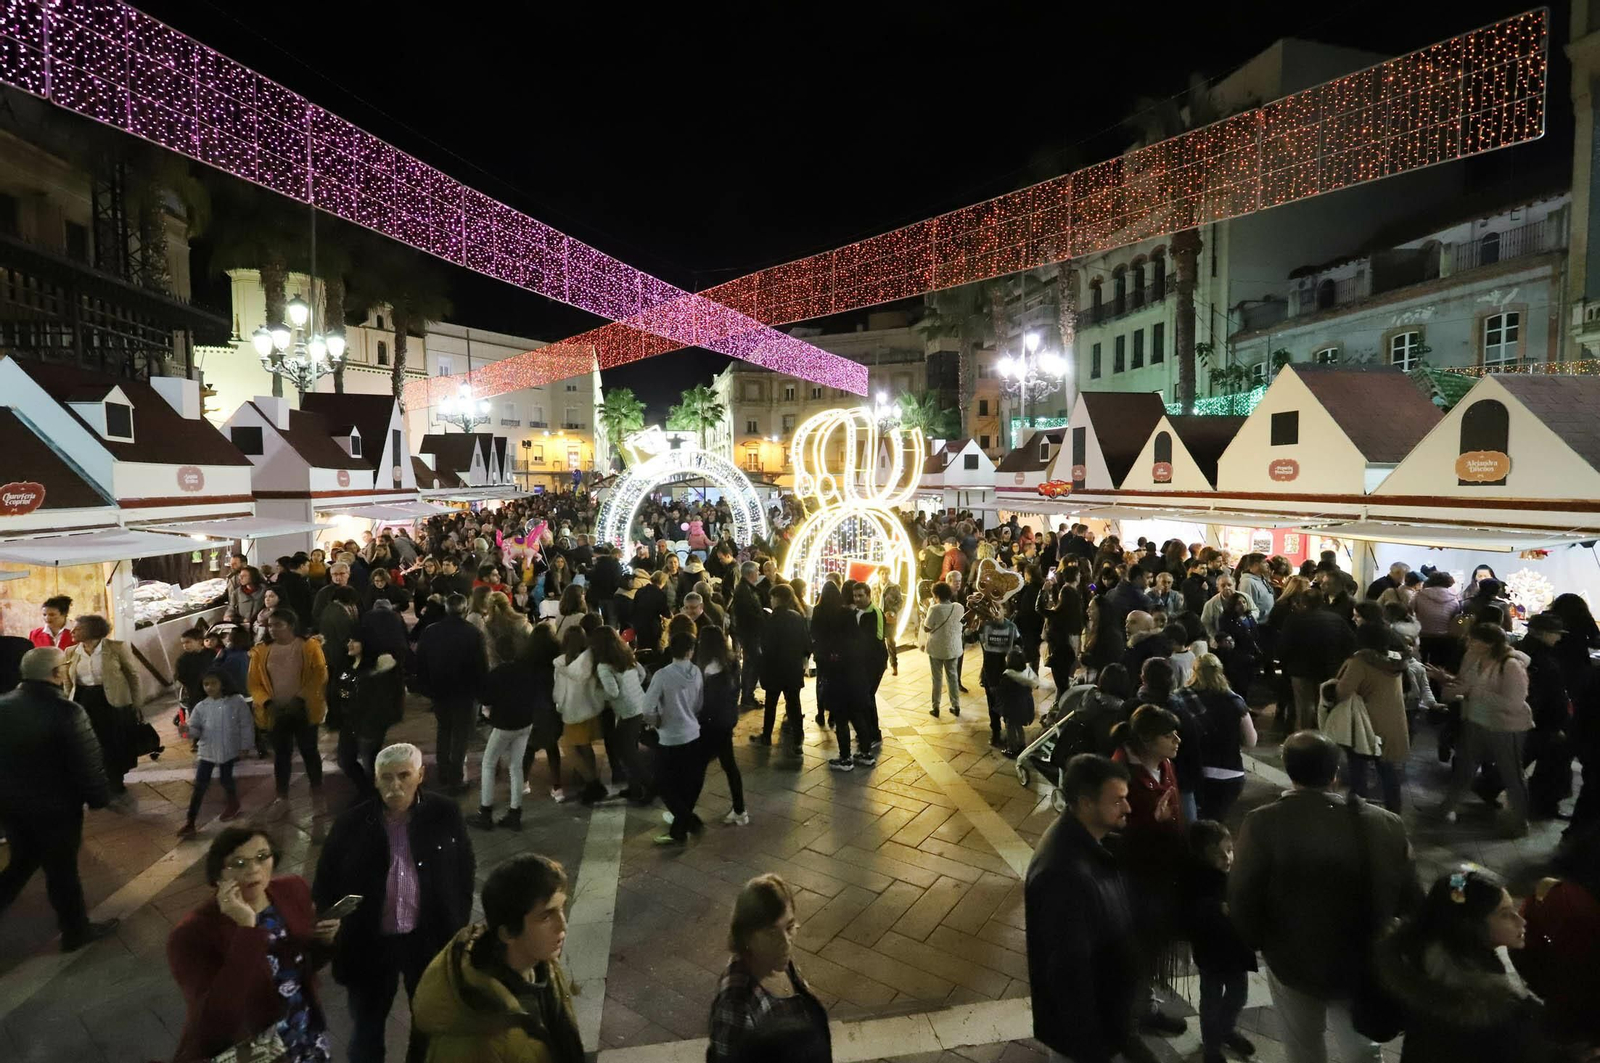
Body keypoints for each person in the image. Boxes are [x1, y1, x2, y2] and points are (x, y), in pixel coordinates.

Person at [1230, 731, 1418, 1063]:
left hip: (1292, 961)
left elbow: (1243, 896)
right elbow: (1411, 897)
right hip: (1362, 960)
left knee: (1302, 1044)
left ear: (1290, 771)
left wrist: (1263, 941)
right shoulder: (1385, 824)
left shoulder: (1263, 823)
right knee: (1361, 1049)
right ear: (1335, 773)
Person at [314, 743, 475, 1063]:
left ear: (420, 776)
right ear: (374, 780)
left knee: (429, 1024)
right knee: (366, 1031)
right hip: (370, 943)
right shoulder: (352, 824)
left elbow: (464, 870)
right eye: (386, 778)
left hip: (427, 939)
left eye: (404, 776)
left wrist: (455, 922)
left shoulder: (444, 813)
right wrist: (335, 923)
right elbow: (327, 881)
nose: (395, 785)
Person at [167, 828, 342, 1062]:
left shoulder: (291, 889)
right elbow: (214, 1022)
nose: (253, 869)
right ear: (219, 873)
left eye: (262, 857)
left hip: (305, 1032)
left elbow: (299, 965)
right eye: (238, 862)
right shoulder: (191, 935)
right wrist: (247, 930)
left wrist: (324, 941)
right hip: (255, 1050)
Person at [1025, 754, 1149, 1063]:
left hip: (1108, 1018)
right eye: (1118, 801)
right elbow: (1069, 971)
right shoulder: (1064, 874)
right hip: (1088, 1033)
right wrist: (1090, 1044)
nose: (1128, 808)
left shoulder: (1089, 840)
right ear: (1086, 803)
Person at [411, 853, 584, 1063]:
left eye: (562, 909)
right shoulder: (473, 1043)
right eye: (546, 916)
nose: (563, 925)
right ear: (507, 933)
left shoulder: (541, 965)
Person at [0, 647, 117, 951]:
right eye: (64, 666)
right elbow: (87, 762)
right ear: (55, 673)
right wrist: (101, 798)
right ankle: (76, 931)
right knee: (62, 871)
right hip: (57, 809)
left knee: (22, 862)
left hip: (12, 807)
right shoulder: (67, 711)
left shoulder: (3, 705)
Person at [1376, 864, 1540, 1063]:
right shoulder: (1494, 1007)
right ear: (1472, 926)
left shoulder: (1411, 960)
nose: (1520, 920)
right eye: (1505, 914)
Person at [707, 873, 831, 1063]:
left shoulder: (773, 959)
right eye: (771, 933)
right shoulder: (735, 1005)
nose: (785, 942)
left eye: (789, 927)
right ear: (746, 936)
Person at [1433, 623, 1534, 835]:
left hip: (1506, 727)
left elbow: (1513, 703)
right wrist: (1447, 680)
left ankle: (1520, 820)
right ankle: (1447, 808)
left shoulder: (1510, 665)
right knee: (1464, 768)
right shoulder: (1472, 658)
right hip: (1475, 721)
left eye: (1473, 640)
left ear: (1488, 644)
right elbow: (1465, 684)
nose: (1468, 643)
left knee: (1511, 774)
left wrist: (1471, 692)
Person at [1185, 821, 1257, 1063]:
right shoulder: (1196, 881)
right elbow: (1190, 915)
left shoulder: (1237, 873)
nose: (1227, 858)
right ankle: (1211, 1047)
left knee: (1239, 996)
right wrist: (1217, 908)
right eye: (1218, 854)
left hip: (1237, 951)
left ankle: (1225, 1030)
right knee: (1211, 1001)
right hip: (1211, 954)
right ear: (1202, 856)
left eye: (1230, 850)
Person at [247, 610, 329, 812]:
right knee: (281, 755)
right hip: (276, 711)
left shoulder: (309, 647)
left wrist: (301, 698)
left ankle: (317, 792)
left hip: (304, 709)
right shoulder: (261, 651)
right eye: (271, 625)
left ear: (291, 625)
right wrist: (267, 703)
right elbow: (254, 683)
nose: (273, 629)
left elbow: (319, 675)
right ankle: (282, 797)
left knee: (309, 751)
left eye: (278, 625)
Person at [1333, 622, 1411, 814]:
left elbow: (1343, 692)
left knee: (1358, 767)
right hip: (1392, 722)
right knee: (1387, 769)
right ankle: (1394, 812)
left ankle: (1358, 810)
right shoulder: (1396, 661)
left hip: (1364, 723)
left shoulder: (1361, 662)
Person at [415, 594, 489, 795]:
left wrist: (426, 688)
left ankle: (443, 772)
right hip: (465, 692)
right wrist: (483, 694)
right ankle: (455, 777)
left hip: (439, 690)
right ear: (465, 610)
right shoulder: (474, 633)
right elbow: (482, 667)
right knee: (461, 735)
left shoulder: (431, 632)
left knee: (444, 730)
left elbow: (420, 661)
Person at [64, 613, 144, 794]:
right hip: (84, 700)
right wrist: (66, 703)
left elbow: (133, 675)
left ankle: (115, 778)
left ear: (94, 630)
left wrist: (137, 703)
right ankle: (96, 779)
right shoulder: (71, 652)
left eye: (79, 628)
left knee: (114, 741)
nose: (73, 631)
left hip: (111, 700)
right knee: (90, 742)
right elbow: (68, 682)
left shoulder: (116, 648)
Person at [1175, 653, 1257, 822]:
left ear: (1194, 671)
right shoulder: (1234, 700)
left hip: (1195, 771)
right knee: (1217, 821)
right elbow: (1251, 740)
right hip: (1229, 773)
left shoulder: (1181, 698)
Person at [645, 631, 706, 844]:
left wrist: (656, 721)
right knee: (687, 784)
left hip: (669, 738)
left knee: (663, 783)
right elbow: (699, 704)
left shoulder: (662, 675)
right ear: (691, 651)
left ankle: (687, 821)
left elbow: (647, 708)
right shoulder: (697, 672)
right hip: (692, 734)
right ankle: (679, 829)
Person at [180, 669, 254, 835]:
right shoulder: (201, 706)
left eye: (213, 683)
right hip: (207, 750)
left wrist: (245, 745)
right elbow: (195, 730)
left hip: (228, 749)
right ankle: (190, 821)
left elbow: (246, 724)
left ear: (222, 683)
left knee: (226, 779)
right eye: (206, 684)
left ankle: (233, 803)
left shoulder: (236, 701)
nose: (209, 687)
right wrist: (186, 730)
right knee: (200, 785)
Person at [330, 633, 403, 800]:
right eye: (347, 640)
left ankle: (375, 796)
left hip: (369, 724)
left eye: (354, 640)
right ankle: (366, 789)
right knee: (345, 760)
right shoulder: (346, 664)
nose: (349, 644)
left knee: (370, 761)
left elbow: (383, 698)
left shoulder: (376, 667)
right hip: (348, 721)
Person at [590, 625, 651, 806]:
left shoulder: (603, 666)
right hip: (640, 704)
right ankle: (635, 788)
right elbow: (641, 674)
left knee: (627, 752)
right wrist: (632, 689)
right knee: (629, 749)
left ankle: (650, 785)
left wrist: (596, 693)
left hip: (628, 712)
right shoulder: (626, 655)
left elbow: (613, 693)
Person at [696, 625, 748, 825]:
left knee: (698, 767)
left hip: (711, 724)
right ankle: (740, 809)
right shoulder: (732, 662)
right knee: (728, 765)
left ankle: (683, 812)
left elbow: (705, 701)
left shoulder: (709, 669)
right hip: (727, 719)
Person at [554, 627, 609, 805]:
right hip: (589, 710)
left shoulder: (562, 663)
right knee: (586, 748)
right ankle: (590, 781)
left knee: (568, 748)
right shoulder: (590, 659)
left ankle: (593, 783)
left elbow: (559, 689)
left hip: (572, 711)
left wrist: (559, 705)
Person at [758, 584, 811, 753]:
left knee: (771, 703)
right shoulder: (797, 617)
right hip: (792, 669)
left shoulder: (770, 620)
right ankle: (797, 739)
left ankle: (766, 736)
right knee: (794, 705)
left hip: (774, 669)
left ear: (777, 599)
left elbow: (765, 646)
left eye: (772, 598)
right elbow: (806, 643)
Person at [850, 582, 888, 758]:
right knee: (865, 697)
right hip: (860, 664)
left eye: (860, 596)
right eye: (855, 596)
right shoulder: (856, 612)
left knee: (868, 696)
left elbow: (877, 639)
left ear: (868, 595)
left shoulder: (875, 613)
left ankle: (874, 733)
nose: (857, 599)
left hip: (874, 663)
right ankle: (866, 732)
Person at [979, 607, 1021, 751]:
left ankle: (1011, 736)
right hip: (990, 672)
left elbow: (1019, 645)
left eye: (999, 608)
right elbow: (970, 638)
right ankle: (996, 732)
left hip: (1006, 673)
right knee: (992, 705)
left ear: (1005, 610)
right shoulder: (984, 626)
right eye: (992, 608)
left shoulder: (1012, 627)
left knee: (1007, 705)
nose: (995, 612)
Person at [923, 581, 965, 719]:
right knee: (953, 676)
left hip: (936, 648)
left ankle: (935, 707)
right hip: (953, 647)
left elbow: (926, 627)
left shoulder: (934, 609)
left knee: (937, 678)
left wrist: (929, 607)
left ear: (935, 595)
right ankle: (956, 705)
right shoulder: (959, 607)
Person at [731, 561, 767, 710]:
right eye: (757, 571)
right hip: (749, 633)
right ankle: (747, 696)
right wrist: (763, 618)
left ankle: (748, 695)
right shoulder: (744, 591)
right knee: (752, 664)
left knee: (750, 664)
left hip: (750, 633)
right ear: (750, 573)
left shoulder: (748, 589)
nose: (758, 574)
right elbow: (748, 614)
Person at [998, 647, 1039, 758]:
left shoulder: (1008, 676)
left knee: (1010, 727)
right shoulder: (1027, 672)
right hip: (1024, 705)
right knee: (1019, 726)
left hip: (1012, 707)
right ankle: (1021, 744)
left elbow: (1003, 693)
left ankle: (1012, 748)